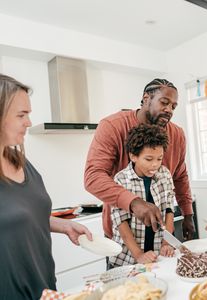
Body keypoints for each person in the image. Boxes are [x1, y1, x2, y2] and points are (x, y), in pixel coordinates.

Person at [0, 74, 92, 299]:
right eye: (21, 115)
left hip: (45, 288)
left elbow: (19, 217)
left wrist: (63, 226)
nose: (29, 122)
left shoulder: (20, 161)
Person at [84, 78, 195, 240]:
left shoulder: (177, 134)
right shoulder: (113, 126)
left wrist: (188, 213)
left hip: (161, 235)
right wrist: (134, 203)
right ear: (146, 99)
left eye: (173, 106)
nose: (169, 110)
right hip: (123, 235)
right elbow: (93, 177)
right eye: (164, 102)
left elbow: (180, 176)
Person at [109, 124, 175, 268]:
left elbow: (169, 210)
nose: (155, 165)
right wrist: (138, 254)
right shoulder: (121, 179)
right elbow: (121, 222)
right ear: (133, 156)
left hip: (157, 255)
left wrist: (166, 243)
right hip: (128, 257)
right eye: (149, 159)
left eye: (159, 159)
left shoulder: (164, 174)